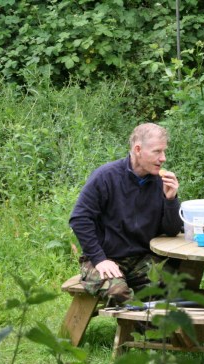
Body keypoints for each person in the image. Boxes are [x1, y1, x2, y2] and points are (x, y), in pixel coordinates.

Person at [69, 123, 183, 304]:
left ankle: (149, 320)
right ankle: (137, 317)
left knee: (171, 282)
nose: (163, 158)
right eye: (157, 151)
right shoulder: (106, 176)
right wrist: (99, 259)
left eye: (164, 151)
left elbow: (171, 231)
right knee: (118, 292)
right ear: (138, 150)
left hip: (142, 258)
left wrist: (170, 200)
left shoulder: (160, 181)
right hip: (105, 256)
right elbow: (79, 219)